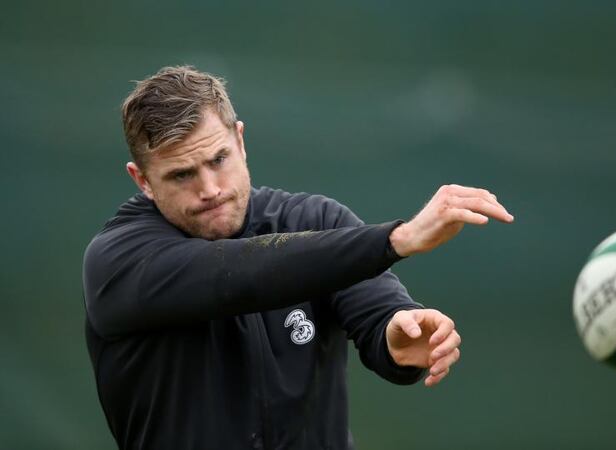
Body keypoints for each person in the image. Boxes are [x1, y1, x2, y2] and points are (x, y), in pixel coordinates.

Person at [82, 65, 514, 450]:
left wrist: (396, 336)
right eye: (182, 175)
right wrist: (397, 239)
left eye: (219, 159)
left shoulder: (315, 220)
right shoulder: (118, 260)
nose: (210, 188)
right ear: (142, 181)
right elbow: (236, 273)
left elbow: (378, 315)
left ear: (240, 140)